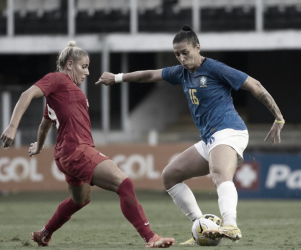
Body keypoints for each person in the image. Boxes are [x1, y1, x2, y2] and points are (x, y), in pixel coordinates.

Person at [96, 25, 284, 245]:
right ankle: (201, 226)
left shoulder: (215, 68)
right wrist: (117, 78)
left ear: (198, 47)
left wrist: (278, 117)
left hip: (229, 131)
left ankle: (230, 223)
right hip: (209, 139)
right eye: (177, 54)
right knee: (170, 176)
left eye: (185, 52)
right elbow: (148, 75)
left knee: (219, 173)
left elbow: (255, 85)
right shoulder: (181, 73)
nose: (181, 58)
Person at [0, 41, 175, 248]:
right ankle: (150, 237)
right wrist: (12, 126)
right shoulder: (57, 79)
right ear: (70, 64)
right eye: (84, 67)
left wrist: (39, 146)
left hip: (65, 155)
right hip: (77, 150)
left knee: (80, 200)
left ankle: (44, 234)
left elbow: (45, 124)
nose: (88, 72)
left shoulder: (62, 95)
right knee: (124, 183)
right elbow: (26, 94)